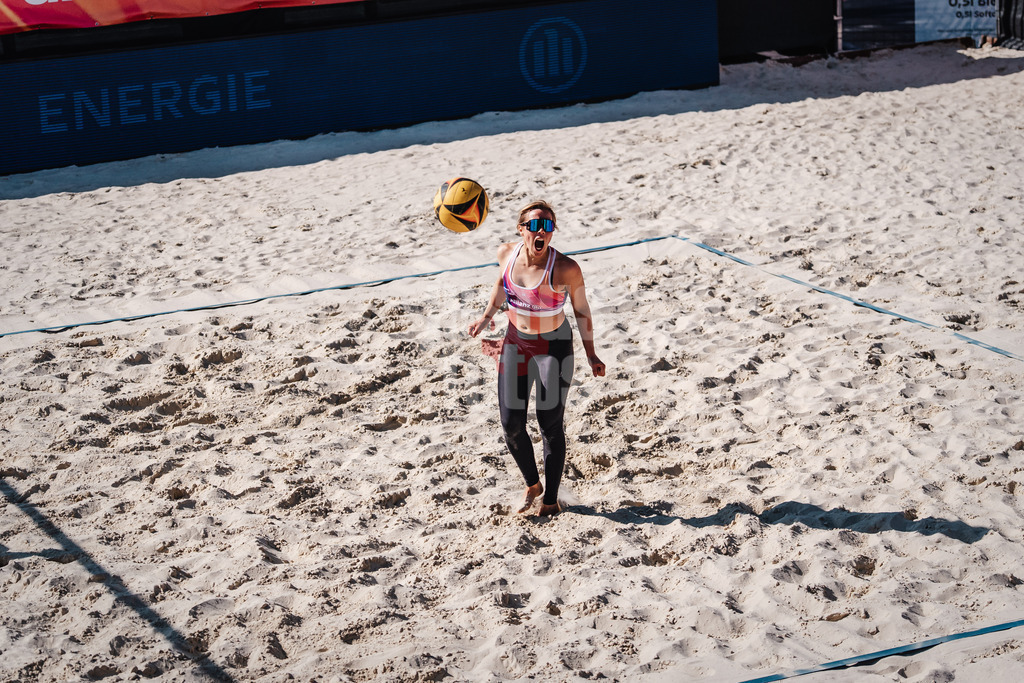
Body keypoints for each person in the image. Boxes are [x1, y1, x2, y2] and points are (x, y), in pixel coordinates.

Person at [468, 200, 606, 516]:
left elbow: (582, 310)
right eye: (533, 225)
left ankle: (550, 500)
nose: (540, 231)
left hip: (554, 348)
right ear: (522, 230)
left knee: (549, 424)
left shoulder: (565, 268)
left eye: (547, 226)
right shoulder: (507, 254)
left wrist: (591, 353)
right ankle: (532, 484)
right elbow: (501, 285)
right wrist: (486, 316)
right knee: (511, 424)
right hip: (516, 343)